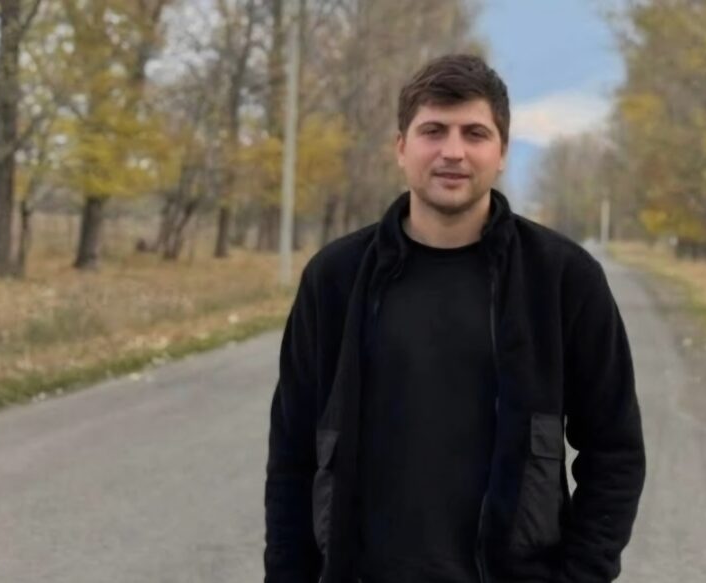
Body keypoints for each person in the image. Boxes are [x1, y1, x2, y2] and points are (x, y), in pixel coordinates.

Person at [264, 53, 645, 583]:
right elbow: (292, 454)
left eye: (475, 133)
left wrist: (581, 574)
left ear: (502, 151)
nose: (453, 152)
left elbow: (614, 451)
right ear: (401, 147)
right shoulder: (335, 279)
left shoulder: (562, 278)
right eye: (433, 131)